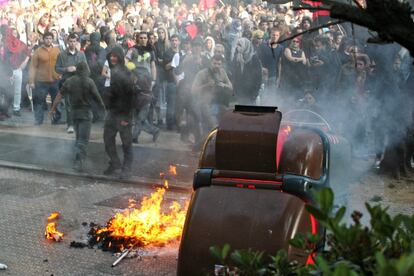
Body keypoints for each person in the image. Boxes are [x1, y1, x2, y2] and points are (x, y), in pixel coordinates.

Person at [49, 61, 105, 172]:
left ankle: (78, 157)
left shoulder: (70, 81)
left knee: (78, 138)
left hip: (74, 114)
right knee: (83, 140)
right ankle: (78, 162)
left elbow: (59, 95)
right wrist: (103, 110)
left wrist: (52, 109)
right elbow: (98, 98)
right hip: (85, 114)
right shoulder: (90, 82)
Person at [103, 46, 135, 178]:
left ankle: (127, 168)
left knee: (126, 142)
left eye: (115, 56)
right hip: (113, 112)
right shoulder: (113, 71)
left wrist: (126, 117)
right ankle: (115, 163)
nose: (112, 58)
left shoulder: (126, 73)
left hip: (124, 113)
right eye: (111, 56)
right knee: (108, 139)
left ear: (120, 57)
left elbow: (130, 96)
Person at [55, 33, 88, 132]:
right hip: (67, 82)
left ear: (77, 42)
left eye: (74, 41)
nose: (72, 43)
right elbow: (57, 68)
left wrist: (77, 69)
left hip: (79, 82)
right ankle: (70, 125)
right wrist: (66, 69)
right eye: (70, 41)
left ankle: (78, 123)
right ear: (67, 42)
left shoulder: (81, 54)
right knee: (69, 105)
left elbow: (86, 68)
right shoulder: (62, 54)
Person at [28, 31, 61, 125]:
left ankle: (57, 119)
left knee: (56, 101)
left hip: (55, 80)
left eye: (50, 38)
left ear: (52, 39)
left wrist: (61, 75)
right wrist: (31, 81)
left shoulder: (57, 50)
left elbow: (61, 63)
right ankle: (38, 120)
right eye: (46, 38)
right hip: (41, 81)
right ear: (43, 39)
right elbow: (33, 67)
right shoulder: (38, 51)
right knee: (40, 102)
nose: (48, 40)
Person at [232, 37, 262, 105]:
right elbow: (235, 74)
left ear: (246, 46)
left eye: (240, 45)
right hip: (240, 93)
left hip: (251, 93)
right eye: (237, 45)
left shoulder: (254, 59)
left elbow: (258, 77)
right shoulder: (237, 57)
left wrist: (255, 94)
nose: (237, 47)